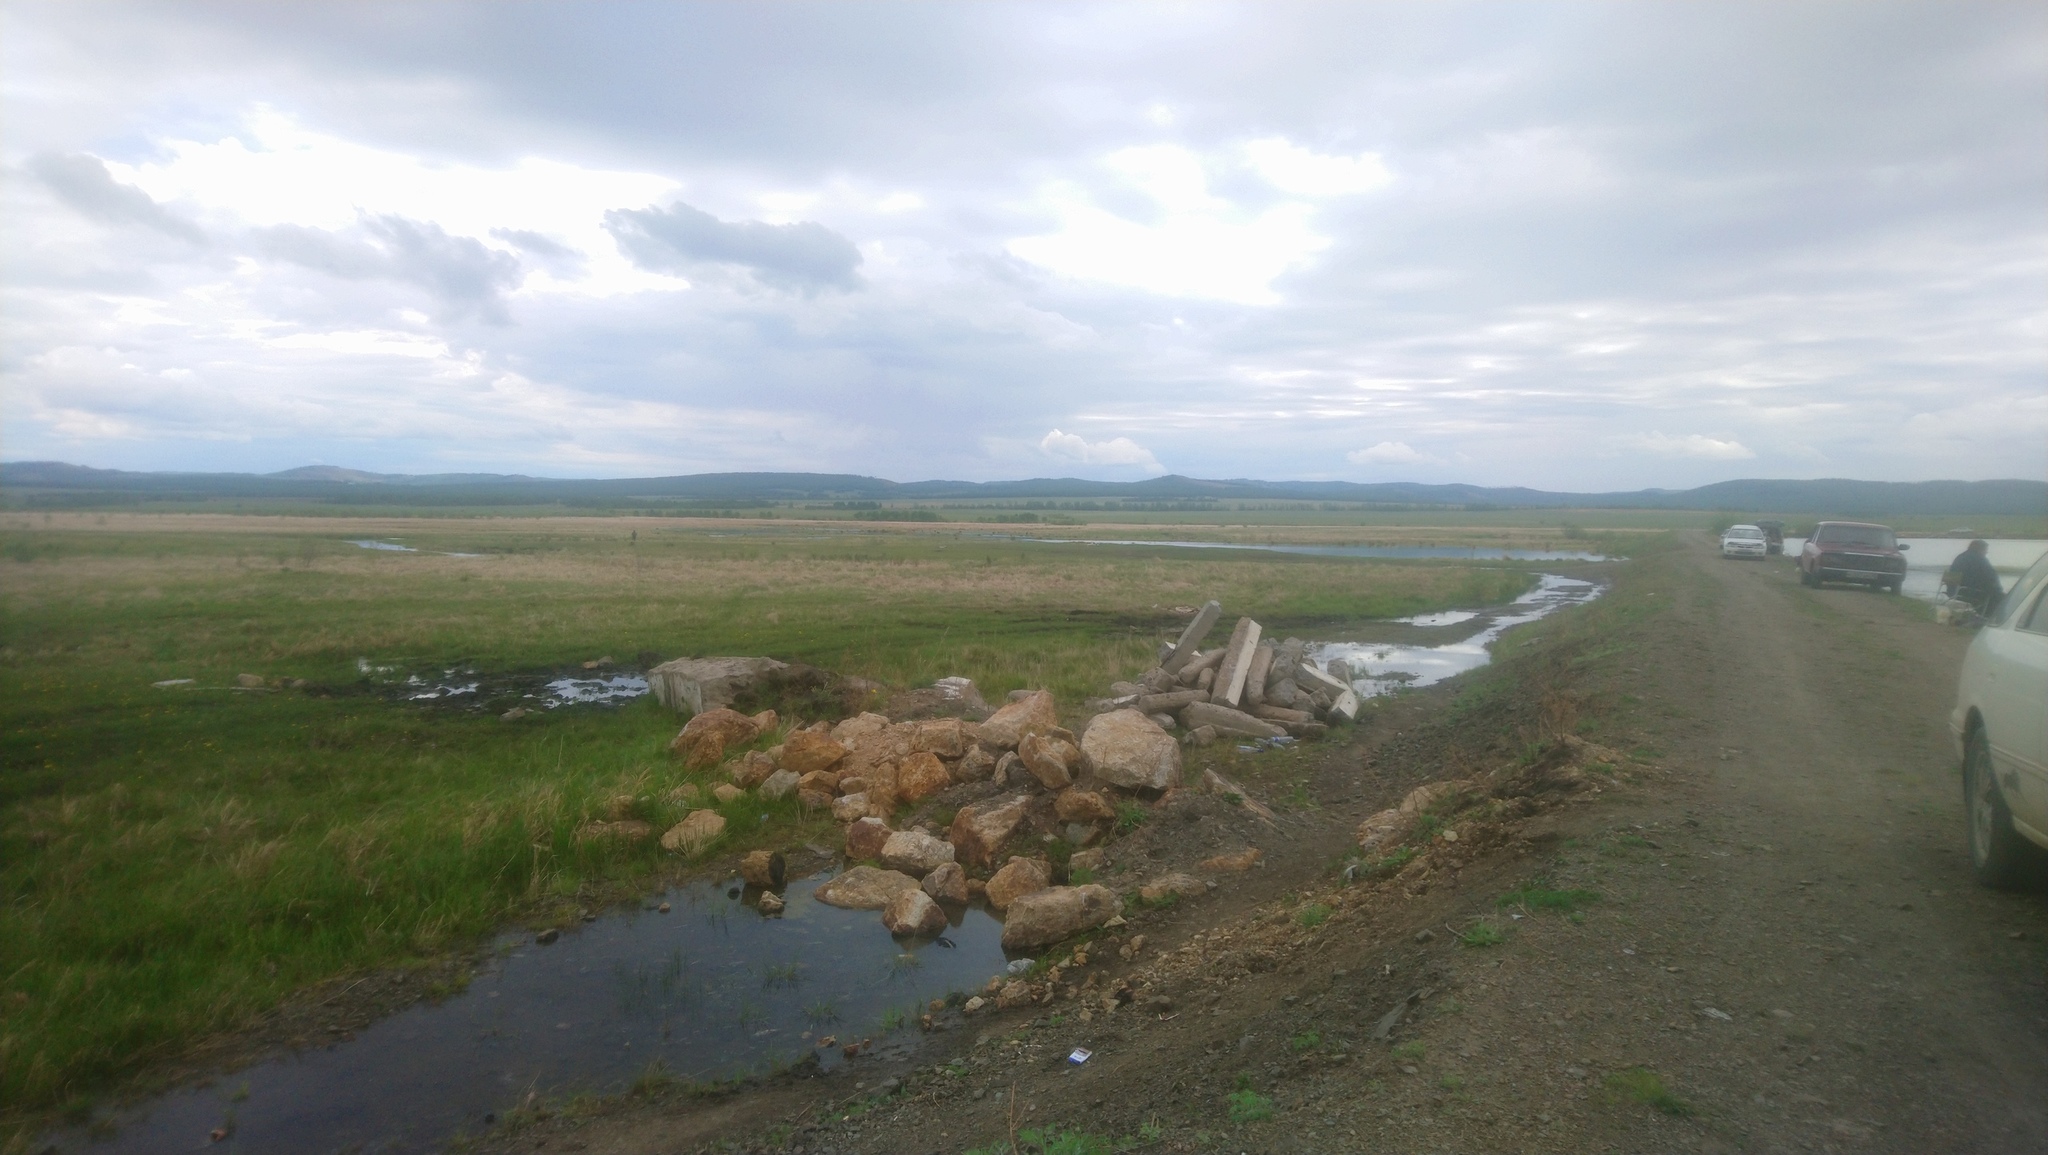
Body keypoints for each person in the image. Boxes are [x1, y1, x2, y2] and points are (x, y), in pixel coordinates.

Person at [1944, 539, 2003, 614]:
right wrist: (1998, 589)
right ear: (1981, 549)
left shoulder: (1960, 557)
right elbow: (1990, 578)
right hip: (1968, 593)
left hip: (1953, 592)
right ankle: (1987, 618)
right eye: (1986, 551)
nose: (1986, 553)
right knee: (1999, 598)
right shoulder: (1980, 560)